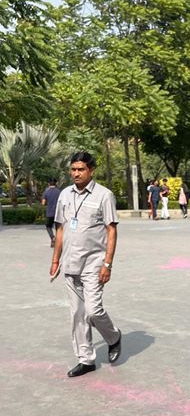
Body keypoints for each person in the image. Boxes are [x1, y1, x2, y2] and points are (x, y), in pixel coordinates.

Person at [50, 151, 122, 378]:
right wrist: (55, 259)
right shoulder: (64, 195)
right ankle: (86, 359)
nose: (76, 174)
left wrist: (107, 264)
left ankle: (113, 337)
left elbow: (112, 230)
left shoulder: (104, 195)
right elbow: (60, 228)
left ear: (91, 171)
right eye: (73, 169)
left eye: (81, 169)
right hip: (70, 263)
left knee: (93, 310)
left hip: (93, 263)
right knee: (77, 314)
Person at [41, 178, 61, 247]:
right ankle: (59, 242)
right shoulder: (59, 191)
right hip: (58, 213)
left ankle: (52, 238)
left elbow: (43, 203)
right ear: (55, 183)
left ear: (48, 183)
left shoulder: (46, 191)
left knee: (48, 226)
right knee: (58, 228)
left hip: (49, 213)